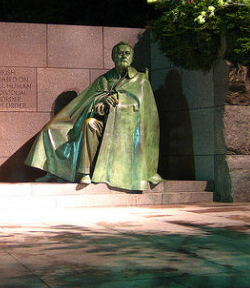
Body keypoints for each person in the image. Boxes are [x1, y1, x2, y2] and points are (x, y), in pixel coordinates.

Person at [25, 41, 162, 191]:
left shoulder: (140, 80)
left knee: (91, 124)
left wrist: (117, 104)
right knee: (67, 127)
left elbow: (145, 111)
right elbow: (87, 100)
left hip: (127, 130)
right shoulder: (104, 79)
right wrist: (99, 102)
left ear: (132, 57)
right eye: (119, 53)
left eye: (127, 53)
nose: (123, 56)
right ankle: (72, 172)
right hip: (103, 125)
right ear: (113, 57)